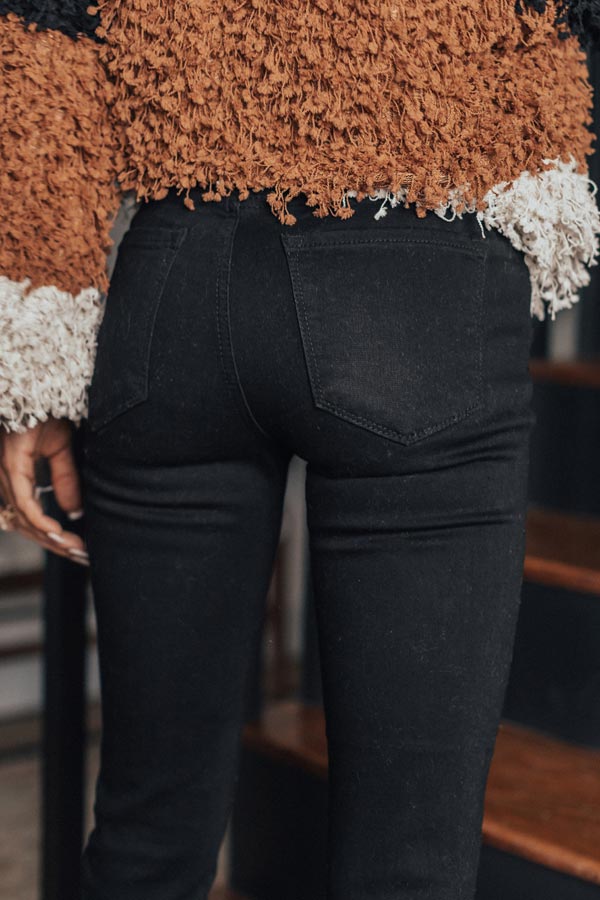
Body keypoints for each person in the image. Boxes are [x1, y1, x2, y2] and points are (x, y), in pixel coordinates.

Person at [1, 2, 599, 898]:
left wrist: (33, 361)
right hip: (420, 272)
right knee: (408, 868)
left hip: (176, 285)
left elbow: (45, 37)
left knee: (144, 841)